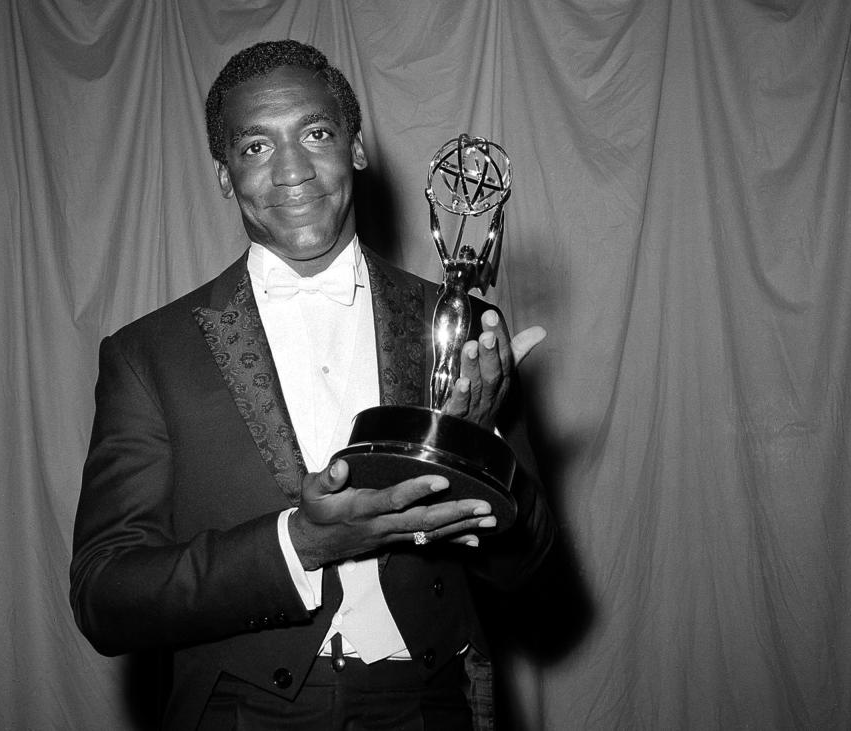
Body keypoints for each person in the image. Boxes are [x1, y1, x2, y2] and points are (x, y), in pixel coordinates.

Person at [70, 39, 553, 730]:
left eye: (317, 133)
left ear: (356, 147)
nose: (293, 171)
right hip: (240, 711)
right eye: (256, 148)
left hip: (431, 705)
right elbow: (105, 594)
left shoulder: (461, 324)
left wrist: (478, 456)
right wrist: (298, 544)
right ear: (223, 174)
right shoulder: (150, 354)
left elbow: (529, 565)